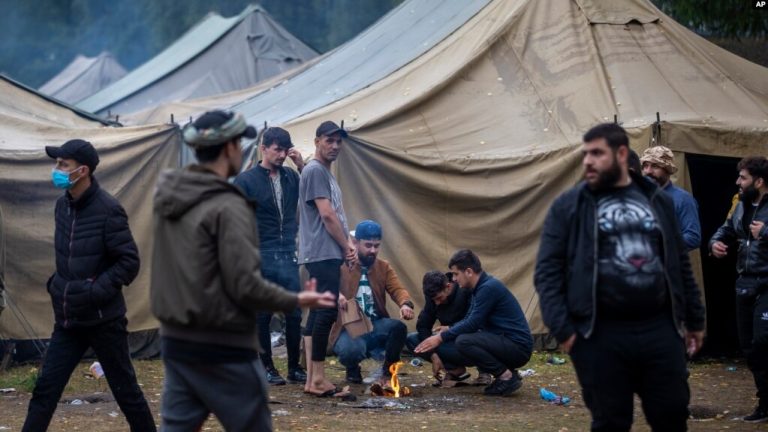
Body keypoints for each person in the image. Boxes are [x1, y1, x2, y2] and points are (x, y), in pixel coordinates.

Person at [150, 110, 336, 432]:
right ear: (229, 148)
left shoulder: (170, 195)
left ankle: (291, 366)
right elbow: (245, 285)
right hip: (223, 344)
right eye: (238, 142)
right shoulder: (229, 201)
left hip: (178, 340)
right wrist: (298, 299)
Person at [535, 123, 706, 431]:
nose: (588, 161)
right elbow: (548, 270)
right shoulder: (569, 206)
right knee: (610, 421)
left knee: (671, 415)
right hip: (599, 331)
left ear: (622, 154)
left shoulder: (659, 200)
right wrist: (562, 328)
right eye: (586, 153)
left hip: (659, 328)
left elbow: (679, 263)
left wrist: (694, 319)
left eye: (597, 153)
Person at [23, 139, 156, 432]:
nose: (56, 169)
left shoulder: (109, 209)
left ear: (82, 171)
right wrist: (57, 285)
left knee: (127, 393)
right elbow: (68, 258)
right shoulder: (63, 206)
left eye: (62, 164)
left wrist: (94, 291)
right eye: (56, 163)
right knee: (45, 390)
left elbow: (129, 262)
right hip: (68, 320)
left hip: (103, 320)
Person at [233, 126, 306, 386]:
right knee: (262, 314)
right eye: (277, 149)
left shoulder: (291, 176)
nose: (282, 155)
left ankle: (295, 367)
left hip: (287, 252)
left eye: (285, 150)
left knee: (294, 313)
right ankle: (266, 367)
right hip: (260, 252)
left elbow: (312, 192)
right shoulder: (246, 181)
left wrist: (301, 165)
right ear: (264, 148)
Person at [415, 249, 533, 397]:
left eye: (456, 274)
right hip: (506, 342)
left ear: (469, 272)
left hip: (518, 347)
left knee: (464, 341)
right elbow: (470, 319)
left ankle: (506, 377)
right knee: (463, 338)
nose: (454, 279)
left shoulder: (488, 288)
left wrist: (440, 337)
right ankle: (507, 372)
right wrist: (450, 329)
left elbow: (473, 324)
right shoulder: (479, 289)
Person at [298, 120, 357, 397]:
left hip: (324, 251)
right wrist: (346, 245)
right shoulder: (316, 170)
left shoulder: (321, 172)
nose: (334, 146)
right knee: (325, 313)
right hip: (323, 251)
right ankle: (319, 379)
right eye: (328, 140)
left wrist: (347, 245)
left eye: (338, 141)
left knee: (317, 314)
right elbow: (327, 214)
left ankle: (312, 379)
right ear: (316, 141)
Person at [709, 156, 768, 423]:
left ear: (759, 181)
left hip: (767, 283)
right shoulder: (740, 206)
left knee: (763, 340)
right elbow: (724, 230)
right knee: (749, 348)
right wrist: (715, 244)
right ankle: (765, 403)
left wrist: (767, 232)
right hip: (744, 283)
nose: (737, 182)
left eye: (742, 178)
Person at [328, 220, 415, 384]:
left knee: (398, 328)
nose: (373, 250)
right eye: (368, 245)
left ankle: (388, 372)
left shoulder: (383, 267)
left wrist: (405, 304)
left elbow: (397, 289)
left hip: (375, 324)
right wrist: (337, 295)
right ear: (355, 243)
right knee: (350, 351)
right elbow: (325, 286)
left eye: (376, 246)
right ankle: (352, 368)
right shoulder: (341, 266)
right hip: (348, 327)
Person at [405, 270, 484, 386]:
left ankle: (484, 369)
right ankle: (454, 369)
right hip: (450, 342)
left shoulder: (465, 289)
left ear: (448, 287)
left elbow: (475, 322)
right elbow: (423, 326)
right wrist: (433, 355)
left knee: (475, 338)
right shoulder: (432, 298)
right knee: (412, 340)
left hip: (471, 342)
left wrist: (451, 329)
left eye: (439, 298)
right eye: (433, 300)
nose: (436, 303)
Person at [641, 145, 702, 252]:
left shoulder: (683, 199)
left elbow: (693, 237)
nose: (648, 171)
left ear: (667, 170)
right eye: (645, 166)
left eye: (655, 166)